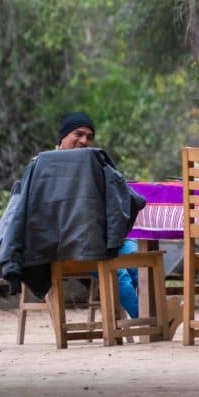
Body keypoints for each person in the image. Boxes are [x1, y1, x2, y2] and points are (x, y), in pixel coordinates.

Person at [56, 113, 142, 322]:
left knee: (137, 262)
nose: (84, 141)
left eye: (89, 136)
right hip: (74, 244)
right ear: (62, 137)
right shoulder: (45, 168)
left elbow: (119, 199)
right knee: (117, 272)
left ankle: (155, 318)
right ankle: (153, 318)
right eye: (78, 134)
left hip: (109, 237)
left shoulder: (95, 164)